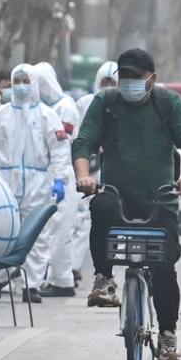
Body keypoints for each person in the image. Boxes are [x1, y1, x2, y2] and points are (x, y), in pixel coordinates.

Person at [73, 48, 181, 360]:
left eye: (136, 78)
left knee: (164, 268)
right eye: (124, 77)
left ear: (152, 79)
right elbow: (84, 142)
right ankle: (104, 280)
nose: (129, 83)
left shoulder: (167, 103)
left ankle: (168, 335)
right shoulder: (106, 103)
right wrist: (84, 176)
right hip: (117, 194)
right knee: (100, 207)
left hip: (161, 198)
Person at [0, 64, 72, 304]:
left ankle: (31, 285)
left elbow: (60, 150)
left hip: (37, 182)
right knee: (0, 232)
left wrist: (60, 179)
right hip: (5, 180)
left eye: (25, 81)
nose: (20, 86)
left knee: (36, 235)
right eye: (16, 81)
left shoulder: (46, 115)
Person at [30, 62, 82, 297]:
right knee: (46, 230)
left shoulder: (65, 107)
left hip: (62, 173)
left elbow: (63, 145)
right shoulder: (38, 109)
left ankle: (63, 280)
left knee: (61, 229)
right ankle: (53, 278)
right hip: (45, 173)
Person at [70, 61, 117, 281]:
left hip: (111, 167)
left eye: (112, 82)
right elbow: (80, 136)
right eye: (105, 82)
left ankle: (82, 266)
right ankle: (73, 266)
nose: (108, 86)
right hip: (85, 167)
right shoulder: (85, 103)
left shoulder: (123, 105)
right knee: (78, 216)